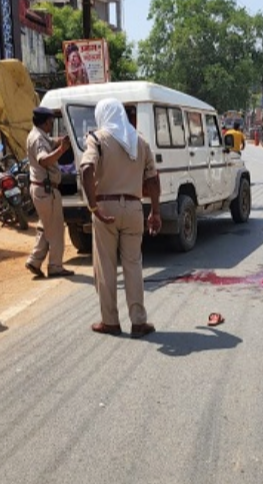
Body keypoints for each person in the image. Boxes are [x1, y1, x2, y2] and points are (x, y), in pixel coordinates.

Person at [80, 98, 161, 337]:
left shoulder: (97, 139)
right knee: (133, 265)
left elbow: (86, 169)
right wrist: (155, 211)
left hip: (106, 207)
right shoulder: (140, 142)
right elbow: (153, 180)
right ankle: (138, 322)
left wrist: (93, 206)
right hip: (135, 207)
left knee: (106, 267)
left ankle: (110, 322)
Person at [24, 106, 74, 279]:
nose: (52, 125)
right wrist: (62, 150)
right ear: (45, 123)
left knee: (46, 226)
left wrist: (63, 140)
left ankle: (35, 260)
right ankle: (55, 266)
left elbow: (51, 142)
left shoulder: (37, 135)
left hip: (41, 189)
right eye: (51, 122)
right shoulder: (38, 138)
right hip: (46, 190)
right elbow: (44, 160)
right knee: (56, 229)